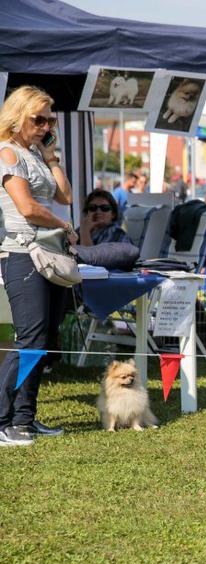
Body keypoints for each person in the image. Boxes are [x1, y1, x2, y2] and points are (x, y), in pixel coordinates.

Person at [0, 86, 76, 446]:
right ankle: (3, 420)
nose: (46, 126)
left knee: (42, 340)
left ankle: (25, 419)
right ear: (18, 117)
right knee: (29, 340)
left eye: (51, 121)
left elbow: (66, 195)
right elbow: (27, 208)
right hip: (22, 253)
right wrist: (63, 225)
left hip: (46, 253)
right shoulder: (7, 153)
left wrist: (51, 157)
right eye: (39, 119)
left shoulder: (33, 153)